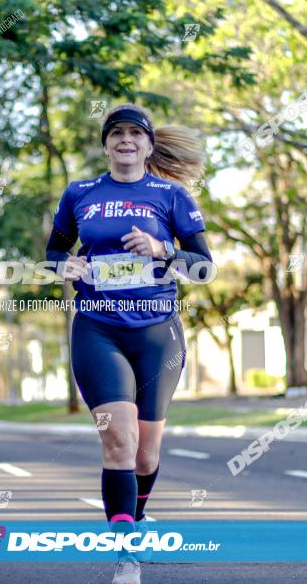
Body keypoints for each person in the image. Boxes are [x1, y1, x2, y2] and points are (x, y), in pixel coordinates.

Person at [45, 104, 212, 584]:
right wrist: (64, 267)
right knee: (120, 441)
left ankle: (135, 517)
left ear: (149, 145)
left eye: (134, 134)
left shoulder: (171, 195)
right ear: (105, 143)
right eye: (116, 133)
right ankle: (126, 554)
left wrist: (162, 250)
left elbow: (204, 265)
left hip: (158, 330)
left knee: (146, 455)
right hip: (98, 327)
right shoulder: (80, 193)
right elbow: (55, 251)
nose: (125, 141)